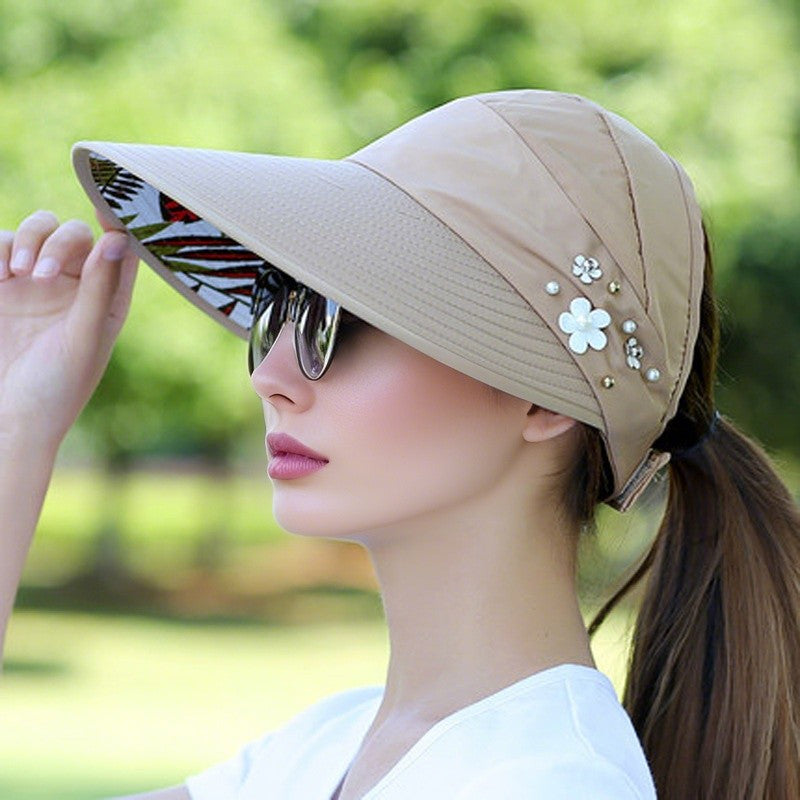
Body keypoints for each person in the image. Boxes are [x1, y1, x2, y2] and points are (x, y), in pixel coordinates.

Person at [1, 89, 798, 800]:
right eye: (278, 313)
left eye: (338, 321)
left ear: (542, 396)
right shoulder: (329, 749)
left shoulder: (542, 783)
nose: (270, 376)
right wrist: (21, 421)